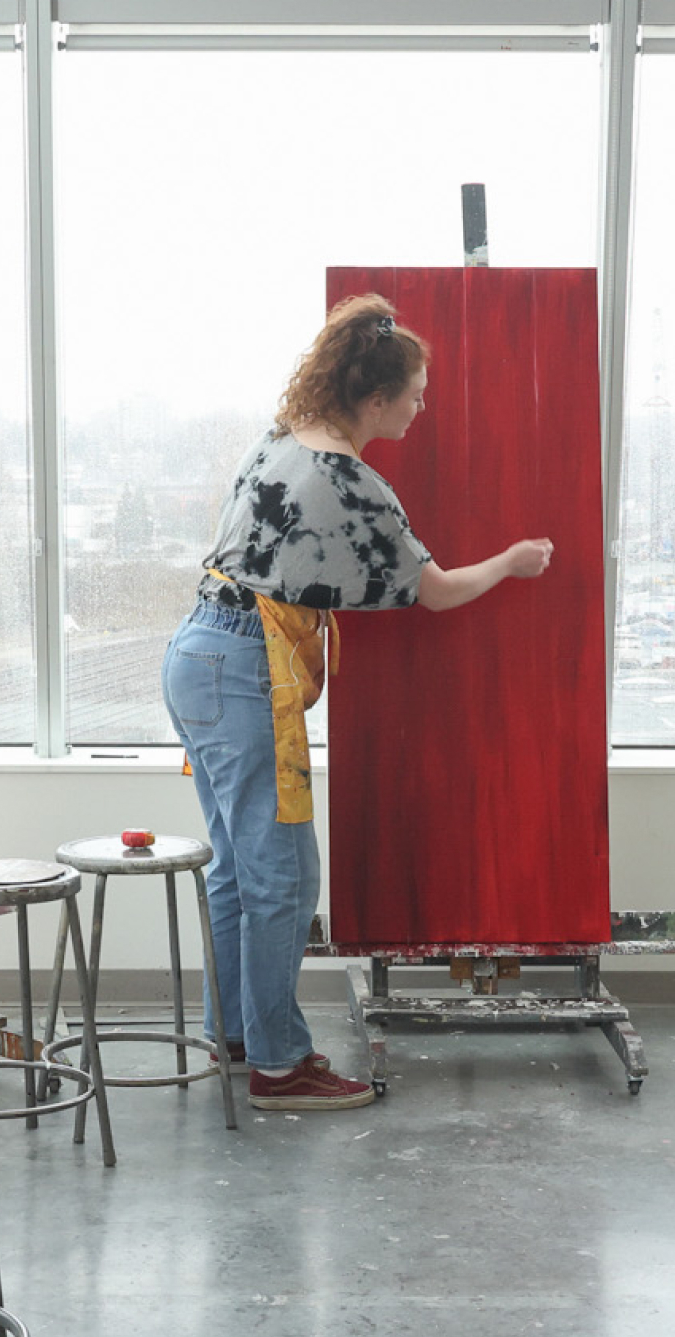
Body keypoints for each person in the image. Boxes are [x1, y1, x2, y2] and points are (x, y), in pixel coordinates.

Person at [164, 293, 553, 1112]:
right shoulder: (347, 478)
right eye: (414, 393)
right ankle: (279, 1064)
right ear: (373, 399)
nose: (422, 407)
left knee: (241, 868)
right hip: (243, 665)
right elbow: (436, 591)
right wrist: (512, 563)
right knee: (283, 876)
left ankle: (236, 1036)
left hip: (198, 652)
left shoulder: (279, 444)